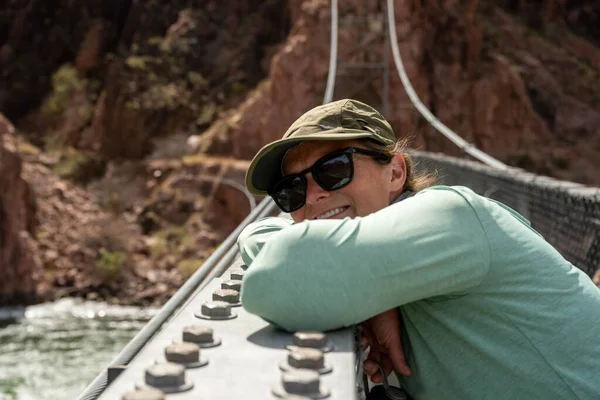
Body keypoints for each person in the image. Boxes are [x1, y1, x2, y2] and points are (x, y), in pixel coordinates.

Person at [236, 99, 600, 399]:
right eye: (291, 191)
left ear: (395, 173)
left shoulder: (450, 217)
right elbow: (258, 235)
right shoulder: (396, 260)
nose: (313, 195)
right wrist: (373, 294)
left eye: (334, 169)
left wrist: (361, 288)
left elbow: (274, 277)